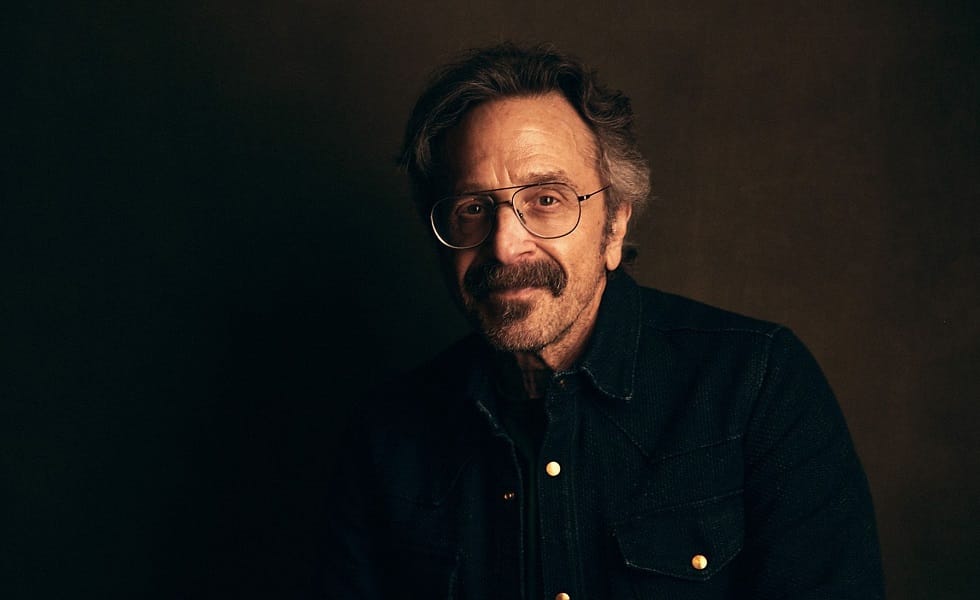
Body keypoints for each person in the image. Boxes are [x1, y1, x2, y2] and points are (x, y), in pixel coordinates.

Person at [320, 41, 885, 599]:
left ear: (614, 227)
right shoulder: (384, 438)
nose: (506, 245)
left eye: (546, 200)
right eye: (472, 208)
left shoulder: (758, 383)